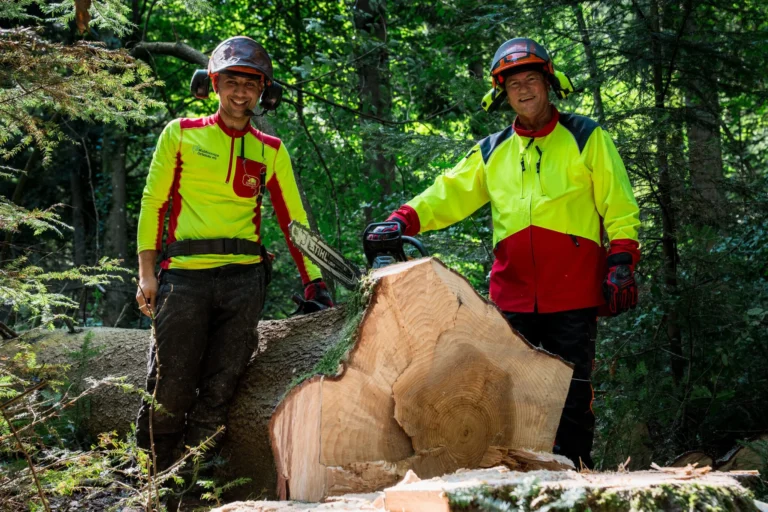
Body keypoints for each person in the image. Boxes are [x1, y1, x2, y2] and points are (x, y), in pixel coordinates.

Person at [382, 38, 640, 468]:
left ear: (549, 83)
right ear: (504, 93)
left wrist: (623, 258)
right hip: (513, 296)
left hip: (573, 292)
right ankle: (515, 477)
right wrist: (403, 219)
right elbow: (449, 192)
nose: (523, 90)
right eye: (514, 83)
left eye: (531, 80)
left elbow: (620, 201)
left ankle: (575, 474)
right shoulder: (493, 149)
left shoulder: (586, 137)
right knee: (508, 394)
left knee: (572, 393)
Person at [134, 36, 333, 471]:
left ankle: (196, 474)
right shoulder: (181, 135)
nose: (240, 92)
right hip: (183, 277)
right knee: (171, 380)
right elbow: (153, 204)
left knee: (223, 382)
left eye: (251, 84)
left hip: (244, 281)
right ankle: (151, 472)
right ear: (213, 82)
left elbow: (292, 220)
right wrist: (146, 274)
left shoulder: (271, 150)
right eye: (232, 81)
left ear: (264, 92)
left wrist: (314, 281)